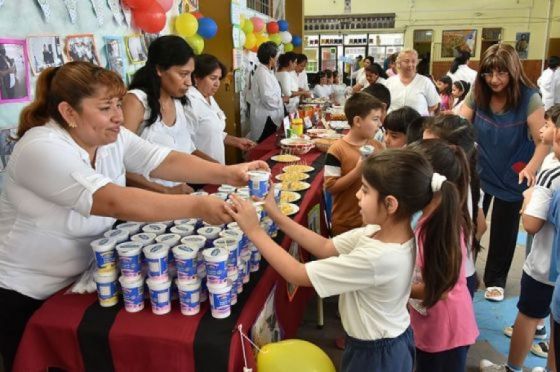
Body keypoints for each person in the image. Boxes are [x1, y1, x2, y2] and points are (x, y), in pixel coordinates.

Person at [0, 61, 268, 372]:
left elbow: (162, 160)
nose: (118, 116)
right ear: (69, 112)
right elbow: (111, 201)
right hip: (28, 292)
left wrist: (228, 173)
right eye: (105, 108)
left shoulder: (110, 139)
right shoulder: (41, 148)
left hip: (85, 281)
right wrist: (197, 206)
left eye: (118, 103)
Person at [225, 148, 463, 372]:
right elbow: (325, 246)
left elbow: (296, 274)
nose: (358, 195)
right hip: (381, 342)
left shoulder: (379, 257)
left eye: (366, 190)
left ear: (390, 203)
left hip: (376, 354)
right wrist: (276, 214)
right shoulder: (380, 232)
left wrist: (254, 231)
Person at [460, 43, 548, 302]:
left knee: (504, 227)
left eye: (501, 73)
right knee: (470, 222)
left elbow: (542, 140)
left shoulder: (530, 97)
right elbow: (460, 123)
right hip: (481, 167)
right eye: (488, 73)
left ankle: (496, 279)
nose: (494, 80)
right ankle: (466, 273)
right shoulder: (478, 93)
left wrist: (531, 168)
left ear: (513, 71)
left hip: (514, 170)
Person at [479, 105, 560, 372]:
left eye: (547, 125)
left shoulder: (551, 173)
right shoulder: (549, 163)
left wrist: (528, 199)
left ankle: (511, 368)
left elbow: (532, 224)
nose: (541, 129)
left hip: (544, 267)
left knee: (526, 314)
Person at [408, 139, 479, 372]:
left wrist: (393, 287)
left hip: (445, 333)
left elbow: (439, 288)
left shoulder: (439, 228)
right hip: (428, 324)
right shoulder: (424, 217)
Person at [122, 35, 211, 194]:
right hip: (147, 205)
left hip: (178, 202)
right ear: (159, 69)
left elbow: (188, 151)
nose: (189, 82)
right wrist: (164, 190)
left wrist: (224, 170)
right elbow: (118, 164)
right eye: (183, 74)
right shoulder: (136, 102)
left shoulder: (178, 102)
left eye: (191, 74)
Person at [423, 115, 486, 299]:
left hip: (441, 284)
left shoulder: (434, 190)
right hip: (464, 275)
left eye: (428, 146)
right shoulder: (470, 180)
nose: (420, 150)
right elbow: (481, 226)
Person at [324, 93, 385, 236]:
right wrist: (358, 171)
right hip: (345, 224)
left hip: (372, 224)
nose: (380, 125)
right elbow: (331, 187)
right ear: (357, 121)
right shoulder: (336, 150)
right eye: (375, 119)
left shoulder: (378, 147)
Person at [187, 54, 255, 164]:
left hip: (216, 167)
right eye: (212, 78)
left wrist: (236, 141)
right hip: (200, 170)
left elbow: (214, 131)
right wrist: (216, 166)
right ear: (196, 77)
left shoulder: (208, 96)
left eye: (219, 78)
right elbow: (186, 146)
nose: (217, 84)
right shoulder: (189, 102)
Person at [248, 41, 285, 142]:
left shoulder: (268, 71)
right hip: (266, 119)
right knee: (265, 146)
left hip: (271, 117)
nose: (277, 59)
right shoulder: (262, 74)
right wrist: (281, 100)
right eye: (276, 56)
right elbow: (268, 100)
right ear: (270, 58)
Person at [385, 49, 439, 116]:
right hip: (394, 124)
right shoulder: (389, 82)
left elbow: (434, 105)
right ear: (399, 63)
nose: (410, 65)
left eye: (413, 61)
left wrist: (419, 115)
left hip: (418, 124)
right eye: (406, 61)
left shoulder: (425, 82)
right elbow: (384, 105)